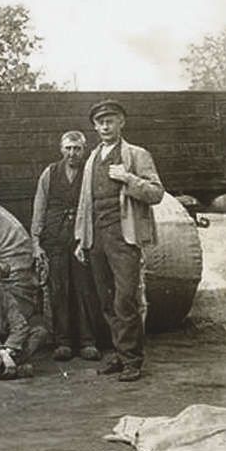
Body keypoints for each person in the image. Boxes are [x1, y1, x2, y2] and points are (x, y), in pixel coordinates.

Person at [74, 100, 164, 382]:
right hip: (97, 237)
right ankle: (120, 353)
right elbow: (84, 203)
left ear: (121, 123)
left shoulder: (137, 155)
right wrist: (81, 238)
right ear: (94, 126)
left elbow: (156, 193)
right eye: (100, 122)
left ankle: (132, 360)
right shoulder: (92, 158)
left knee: (126, 299)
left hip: (124, 237)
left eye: (110, 121)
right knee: (107, 299)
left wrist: (128, 179)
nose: (104, 126)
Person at [31, 131, 102, 362]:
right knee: (58, 290)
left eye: (77, 149)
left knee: (84, 289)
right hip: (55, 239)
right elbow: (39, 207)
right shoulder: (50, 173)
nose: (72, 153)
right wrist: (36, 242)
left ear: (84, 149)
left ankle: (87, 341)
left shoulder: (90, 172)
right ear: (61, 149)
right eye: (68, 148)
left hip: (82, 239)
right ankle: (63, 342)